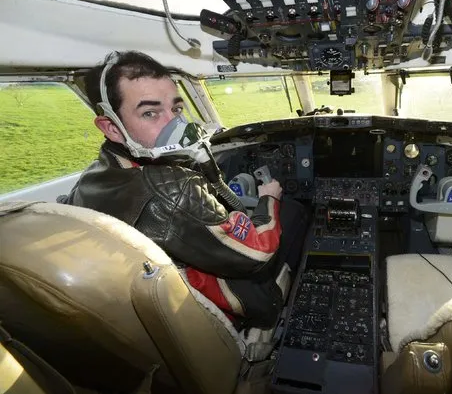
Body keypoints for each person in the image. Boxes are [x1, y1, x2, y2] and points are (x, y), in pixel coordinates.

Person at [62, 51, 308, 329]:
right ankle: (284, 304)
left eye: (176, 109)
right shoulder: (175, 190)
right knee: (295, 211)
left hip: (160, 301)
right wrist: (268, 199)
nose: (175, 125)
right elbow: (256, 254)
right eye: (150, 113)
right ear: (112, 128)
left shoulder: (92, 177)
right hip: (216, 305)